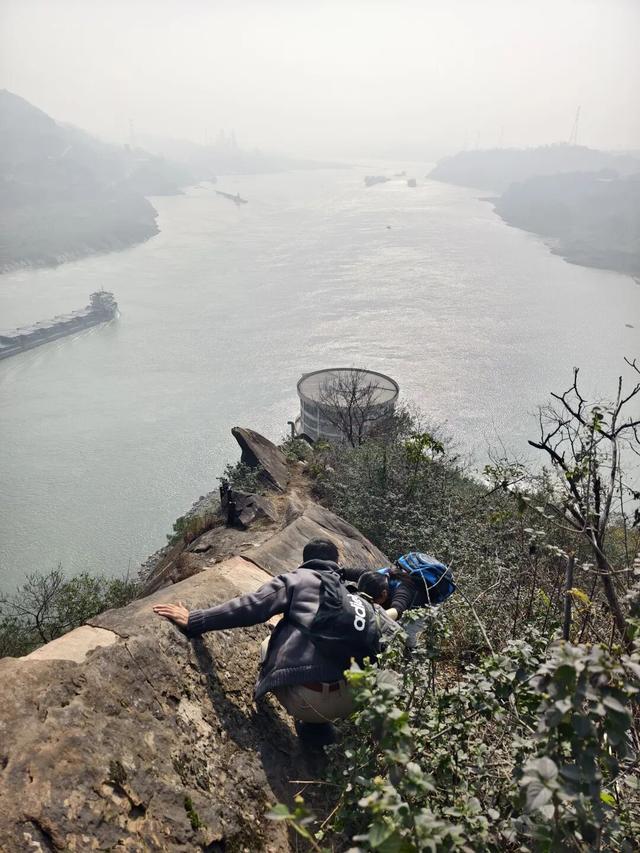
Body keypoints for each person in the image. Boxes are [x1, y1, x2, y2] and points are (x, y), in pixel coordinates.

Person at [153, 537, 368, 745]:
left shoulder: (297, 579)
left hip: (306, 701)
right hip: (353, 700)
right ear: (337, 563)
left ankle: (307, 719)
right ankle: (321, 728)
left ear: (304, 562)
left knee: (271, 639)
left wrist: (194, 619)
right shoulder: (354, 596)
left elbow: (253, 606)